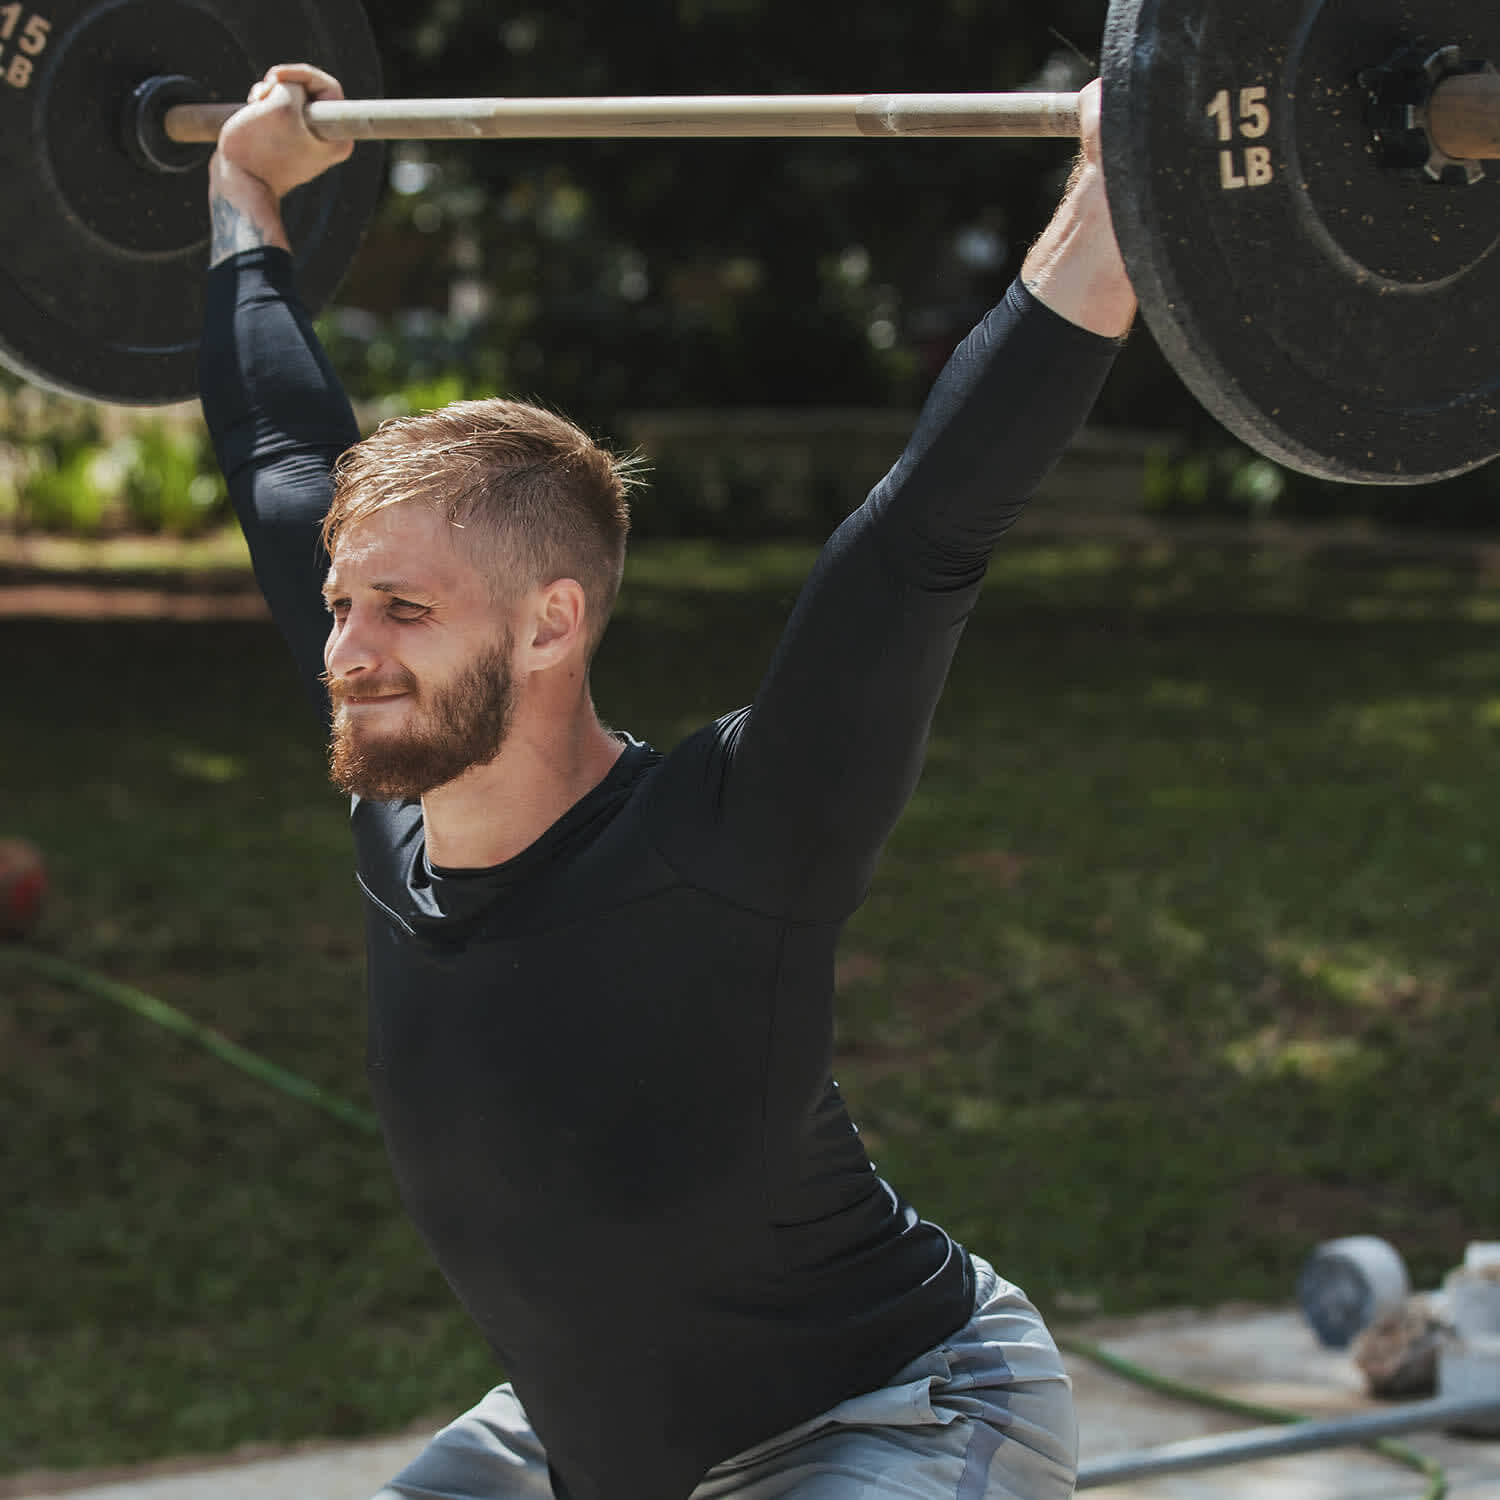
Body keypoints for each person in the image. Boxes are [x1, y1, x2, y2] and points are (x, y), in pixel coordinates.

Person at [199, 60, 1136, 1500]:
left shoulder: (733, 838)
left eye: (403, 611)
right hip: (586, 1450)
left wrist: (1124, 189)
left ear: (551, 623)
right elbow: (275, 441)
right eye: (341, 602)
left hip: (897, 1414)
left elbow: (923, 532)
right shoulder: (401, 783)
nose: (346, 649)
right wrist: (242, 190)